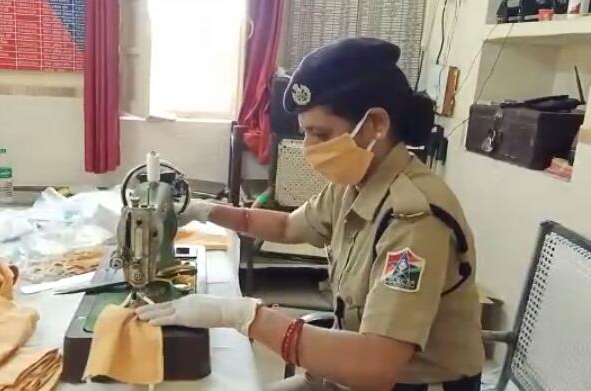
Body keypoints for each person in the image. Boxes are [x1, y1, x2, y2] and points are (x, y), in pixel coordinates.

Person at [136, 38, 484, 391]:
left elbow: (376, 365)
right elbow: (287, 226)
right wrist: (204, 210)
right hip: (345, 374)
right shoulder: (356, 184)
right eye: (306, 134)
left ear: (375, 125)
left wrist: (242, 315)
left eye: (320, 133)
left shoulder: (415, 219)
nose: (308, 148)